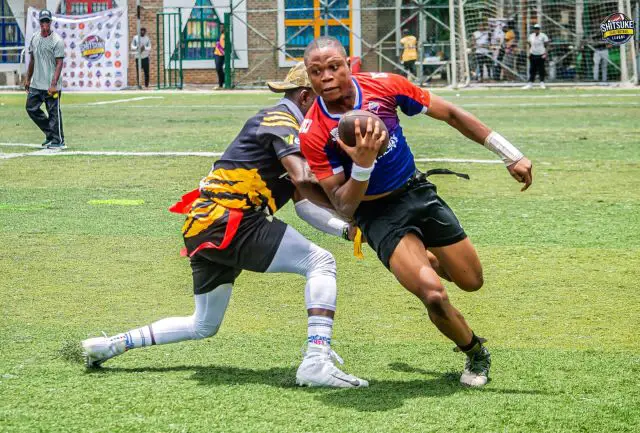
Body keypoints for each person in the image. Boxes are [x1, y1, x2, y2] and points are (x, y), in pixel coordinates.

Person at [81, 62, 368, 389]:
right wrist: (353, 198)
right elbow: (304, 178)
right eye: (325, 100)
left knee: (203, 324)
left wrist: (346, 230)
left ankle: (111, 344)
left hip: (203, 224)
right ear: (305, 96)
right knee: (321, 262)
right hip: (230, 219)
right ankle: (316, 361)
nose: (332, 109)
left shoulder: (288, 129)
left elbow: (304, 206)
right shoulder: (281, 120)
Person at [300, 36, 533, 387]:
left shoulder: (384, 86)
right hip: (376, 215)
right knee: (434, 294)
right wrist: (362, 166)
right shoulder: (314, 131)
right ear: (309, 77)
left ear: (349, 64)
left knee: (471, 281)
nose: (327, 77)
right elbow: (343, 205)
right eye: (316, 72)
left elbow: (450, 113)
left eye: (334, 67)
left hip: (416, 192)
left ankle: (425, 257)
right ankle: (475, 352)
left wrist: (510, 154)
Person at [24, 9, 65, 149]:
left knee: (53, 112)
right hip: (36, 83)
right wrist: (28, 79)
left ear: (50, 22)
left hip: (51, 85)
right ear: (39, 22)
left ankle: (58, 140)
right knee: (31, 108)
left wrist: (53, 84)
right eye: (42, 21)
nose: (44, 24)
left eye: (47, 21)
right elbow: (32, 60)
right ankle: (50, 133)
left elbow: (59, 63)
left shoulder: (57, 41)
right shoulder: (35, 38)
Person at [523, 24, 549, 89]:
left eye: (537, 29)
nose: (536, 30)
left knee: (541, 69)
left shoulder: (543, 36)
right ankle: (530, 84)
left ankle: (542, 83)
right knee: (532, 69)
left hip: (541, 54)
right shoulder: (531, 36)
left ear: (539, 29)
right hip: (533, 54)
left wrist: (545, 53)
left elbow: (547, 45)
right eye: (535, 29)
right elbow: (529, 44)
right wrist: (529, 52)